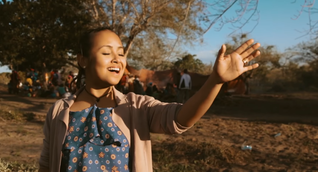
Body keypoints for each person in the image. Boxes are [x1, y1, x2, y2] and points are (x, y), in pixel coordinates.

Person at [39, 27, 261, 172]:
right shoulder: (60, 110)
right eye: (106, 53)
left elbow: (180, 119)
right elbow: (46, 164)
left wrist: (215, 81)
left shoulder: (136, 106)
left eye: (121, 52)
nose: (117, 58)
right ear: (83, 60)